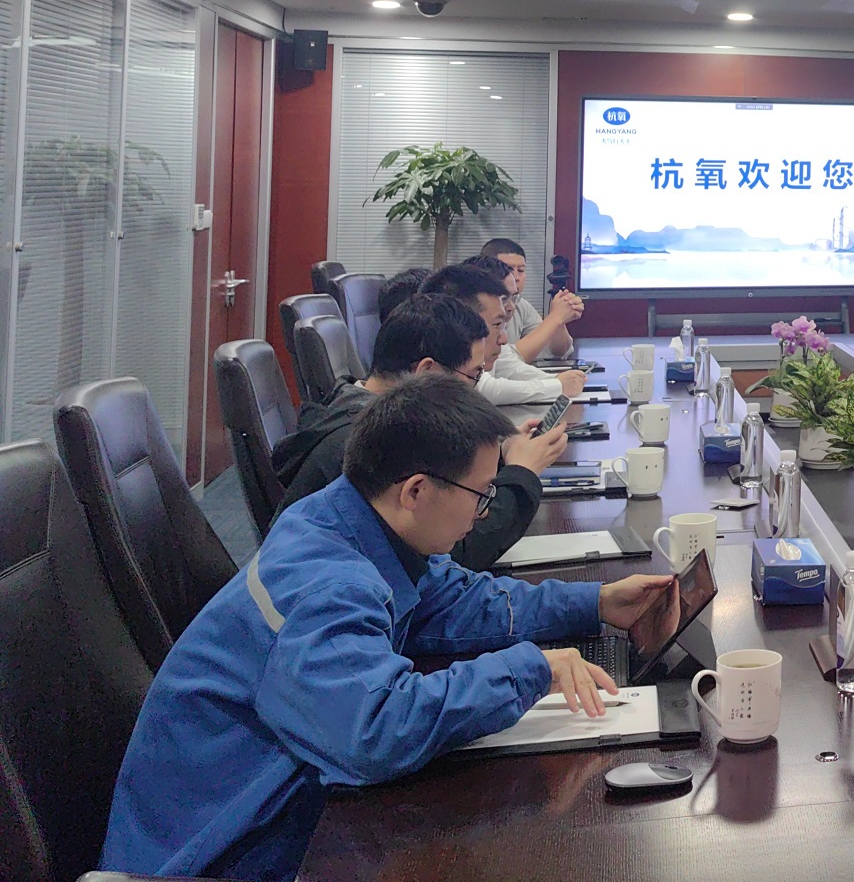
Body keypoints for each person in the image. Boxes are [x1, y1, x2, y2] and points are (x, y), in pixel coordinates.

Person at [100, 375, 677, 882]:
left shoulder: (348, 519)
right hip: (221, 856)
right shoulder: (328, 583)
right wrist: (530, 668)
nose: (483, 511)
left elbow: (452, 601)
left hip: (279, 806)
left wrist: (595, 603)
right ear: (416, 491)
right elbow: (375, 730)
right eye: (482, 494)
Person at [272, 293, 565, 568]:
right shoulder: (376, 442)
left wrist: (495, 454)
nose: (476, 390)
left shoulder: (360, 409)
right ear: (427, 373)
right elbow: (454, 558)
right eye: (474, 375)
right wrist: (523, 472)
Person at [423, 259, 584, 403]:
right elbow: (486, 388)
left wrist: (559, 381)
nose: (510, 306)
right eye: (504, 298)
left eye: (512, 297)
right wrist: (556, 385)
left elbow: (518, 364)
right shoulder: (443, 347)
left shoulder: (518, 308)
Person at [483, 236, 583, 364]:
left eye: (521, 270)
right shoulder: (477, 305)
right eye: (508, 270)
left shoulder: (520, 304)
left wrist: (560, 318)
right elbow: (502, 361)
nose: (516, 277)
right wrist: (555, 318)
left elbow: (558, 351)